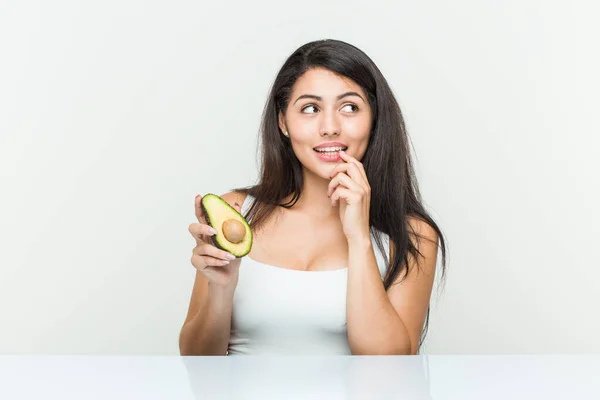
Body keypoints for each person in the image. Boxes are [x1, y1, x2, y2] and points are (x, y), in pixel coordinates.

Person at [179, 39, 447, 356]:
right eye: (310, 108)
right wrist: (220, 289)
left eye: (350, 107)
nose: (330, 127)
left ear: (374, 119)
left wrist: (359, 237)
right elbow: (196, 361)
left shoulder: (413, 235)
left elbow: (389, 365)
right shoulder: (237, 211)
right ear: (283, 122)